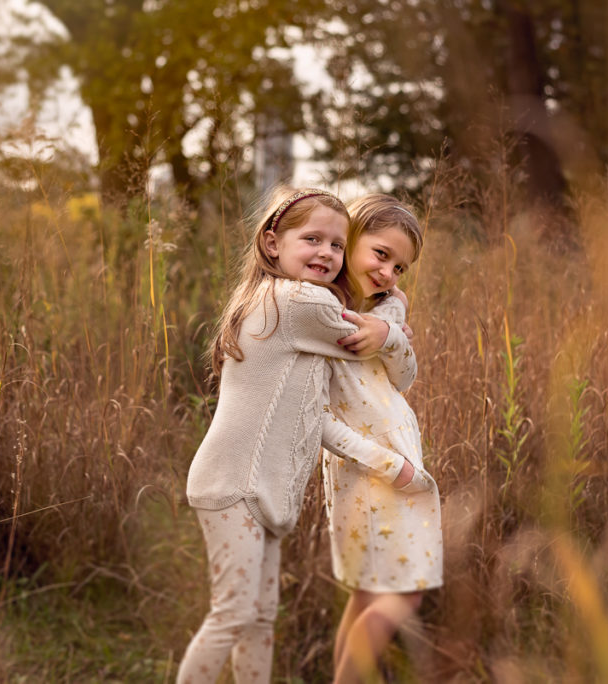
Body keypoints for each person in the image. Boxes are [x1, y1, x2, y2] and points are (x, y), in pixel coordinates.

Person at [178, 187, 430, 684]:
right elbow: (365, 341)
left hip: (258, 490)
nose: (326, 254)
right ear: (272, 243)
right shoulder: (297, 300)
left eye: (337, 245)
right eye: (311, 239)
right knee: (232, 615)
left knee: (259, 619)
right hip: (235, 486)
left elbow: (316, 417)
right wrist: (395, 310)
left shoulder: (283, 301)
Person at [321, 194, 443, 683]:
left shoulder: (389, 306)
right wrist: (396, 466)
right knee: (403, 595)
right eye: (380, 254)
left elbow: (405, 377)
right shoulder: (321, 308)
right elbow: (319, 415)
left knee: (368, 594)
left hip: (395, 463)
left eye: (401, 266)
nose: (390, 272)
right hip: (371, 471)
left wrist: (389, 333)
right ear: (349, 238)